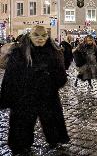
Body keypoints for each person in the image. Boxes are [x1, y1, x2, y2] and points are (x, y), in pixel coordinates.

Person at [0, 25, 69, 155]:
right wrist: (8, 97)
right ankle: (20, 145)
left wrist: (50, 81)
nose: (40, 38)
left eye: (43, 35)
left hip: (47, 95)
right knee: (22, 124)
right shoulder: (19, 52)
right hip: (24, 97)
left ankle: (54, 139)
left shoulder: (53, 52)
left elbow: (61, 76)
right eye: (36, 35)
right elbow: (10, 76)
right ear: (30, 35)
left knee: (51, 121)